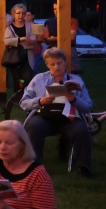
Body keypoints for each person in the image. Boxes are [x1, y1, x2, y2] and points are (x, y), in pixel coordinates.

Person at [19, 47, 93, 176]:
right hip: (45, 116)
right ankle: (33, 166)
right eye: (52, 64)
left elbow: (88, 106)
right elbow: (23, 102)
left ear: (65, 63)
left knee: (82, 130)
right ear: (47, 65)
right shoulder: (39, 79)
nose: (56, 67)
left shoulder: (76, 81)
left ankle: (83, 167)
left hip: (68, 118)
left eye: (59, 63)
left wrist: (74, 99)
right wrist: (40, 101)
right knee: (34, 125)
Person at [3, 3, 37, 91]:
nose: (21, 15)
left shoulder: (30, 26)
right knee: (17, 78)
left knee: (27, 77)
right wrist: (22, 39)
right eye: (18, 13)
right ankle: (18, 94)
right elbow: (7, 41)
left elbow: (33, 39)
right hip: (15, 56)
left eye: (23, 13)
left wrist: (30, 41)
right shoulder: (9, 27)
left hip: (27, 55)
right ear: (13, 14)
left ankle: (24, 90)